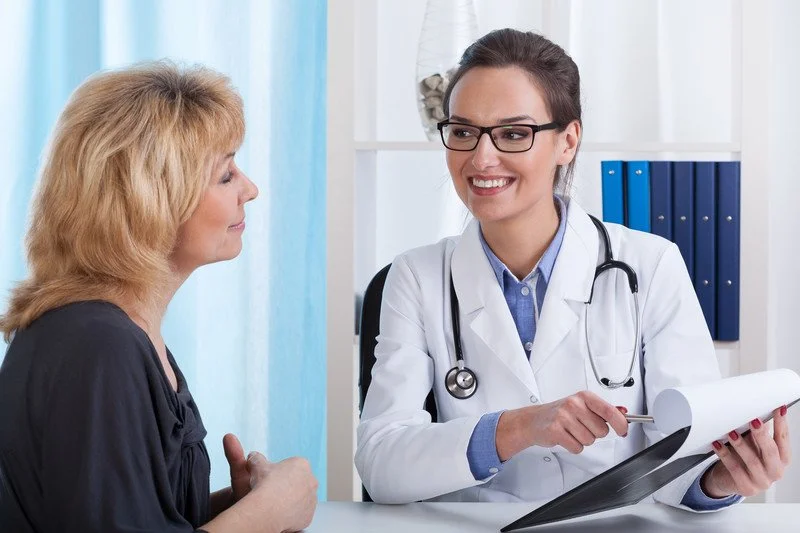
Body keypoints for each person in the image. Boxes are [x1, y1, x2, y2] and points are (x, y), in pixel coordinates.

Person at [355, 29, 791, 508]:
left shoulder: (652, 265)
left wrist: (721, 480)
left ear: (568, 141)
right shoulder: (416, 277)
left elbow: (685, 454)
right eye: (462, 132)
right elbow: (381, 462)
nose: (481, 157)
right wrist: (517, 428)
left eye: (514, 134)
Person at [0, 61, 317, 533]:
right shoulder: (97, 346)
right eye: (226, 174)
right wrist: (264, 517)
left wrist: (238, 506)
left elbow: (124, 513)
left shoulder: (122, 333)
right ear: (152, 199)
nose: (250, 189)